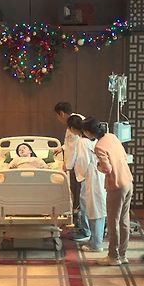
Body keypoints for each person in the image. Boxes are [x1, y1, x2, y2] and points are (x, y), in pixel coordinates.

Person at [90, 117, 133, 266]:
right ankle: (123, 254)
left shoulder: (99, 146)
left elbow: (107, 169)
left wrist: (98, 166)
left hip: (116, 185)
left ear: (89, 132)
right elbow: (123, 156)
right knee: (124, 221)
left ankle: (113, 256)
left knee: (113, 221)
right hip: (128, 181)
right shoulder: (112, 137)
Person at [68, 115, 107, 252]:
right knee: (97, 209)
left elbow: (83, 161)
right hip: (98, 175)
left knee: (94, 210)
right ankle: (95, 239)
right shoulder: (99, 140)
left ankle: (96, 244)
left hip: (91, 176)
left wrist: (81, 175)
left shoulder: (83, 142)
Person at [53, 101, 89, 240]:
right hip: (85, 166)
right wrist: (61, 148)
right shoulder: (77, 119)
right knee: (86, 199)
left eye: (57, 116)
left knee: (86, 200)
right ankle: (87, 228)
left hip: (86, 167)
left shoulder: (73, 126)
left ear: (61, 114)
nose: (58, 119)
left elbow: (73, 148)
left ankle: (87, 231)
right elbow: (70, 144)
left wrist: (66, 166)